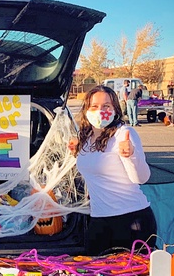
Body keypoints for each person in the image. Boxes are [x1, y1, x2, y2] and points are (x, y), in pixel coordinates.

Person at [67, 85, 156, 256]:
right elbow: (96, 169)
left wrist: (130, 155)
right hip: (99, 220)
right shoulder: (85, 138)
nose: (100, 111)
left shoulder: (124, 134)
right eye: (94, 106)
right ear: (87, 110)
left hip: (132, 220)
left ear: (115, 109)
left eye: (106, 106)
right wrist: (75, 154)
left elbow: (142, 178)